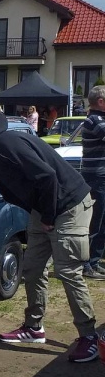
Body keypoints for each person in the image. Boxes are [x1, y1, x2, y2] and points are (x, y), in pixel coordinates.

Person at [0, 116, 100, 362]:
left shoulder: (6, 144)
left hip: (69, 206)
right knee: (32, 268)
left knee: (68, 271)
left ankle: (89, 336)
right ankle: (33, 327)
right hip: (45, 208)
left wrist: (49, 216)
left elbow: (47, 176)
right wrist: (41, 213)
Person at [81, 86, 105, 281]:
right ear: (100, 101)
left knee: (102, 221)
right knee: (95, 221)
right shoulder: (94, 120)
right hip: (96, 178)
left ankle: (94, 261)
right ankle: (86, 264)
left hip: (101, 176)